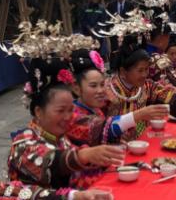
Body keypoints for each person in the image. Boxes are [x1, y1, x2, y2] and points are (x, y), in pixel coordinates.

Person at [9, 57, 125, 189]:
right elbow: (52, 162)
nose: (68, 117)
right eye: (60, 110)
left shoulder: (61, 138)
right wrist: (83, 155)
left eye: (71, 110)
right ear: (39, 112)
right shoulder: (23, 143)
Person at [67, 49, 168, 147]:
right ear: (76, 88)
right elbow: (100, 128)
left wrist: (119, 136)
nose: (101, 90)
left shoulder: (96, 110)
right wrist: (139, 115)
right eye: (93, 86)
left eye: (102, 84)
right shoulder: (73, 115)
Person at [105, 36, 176, 136]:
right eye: (140, 70)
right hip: (116, 147)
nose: (145, 74)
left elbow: (167, 94)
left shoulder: (145, 86)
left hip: (142, 141)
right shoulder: (107, 91)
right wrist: (138, 115)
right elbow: (102, 127)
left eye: (146, 69)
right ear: (123, 71)